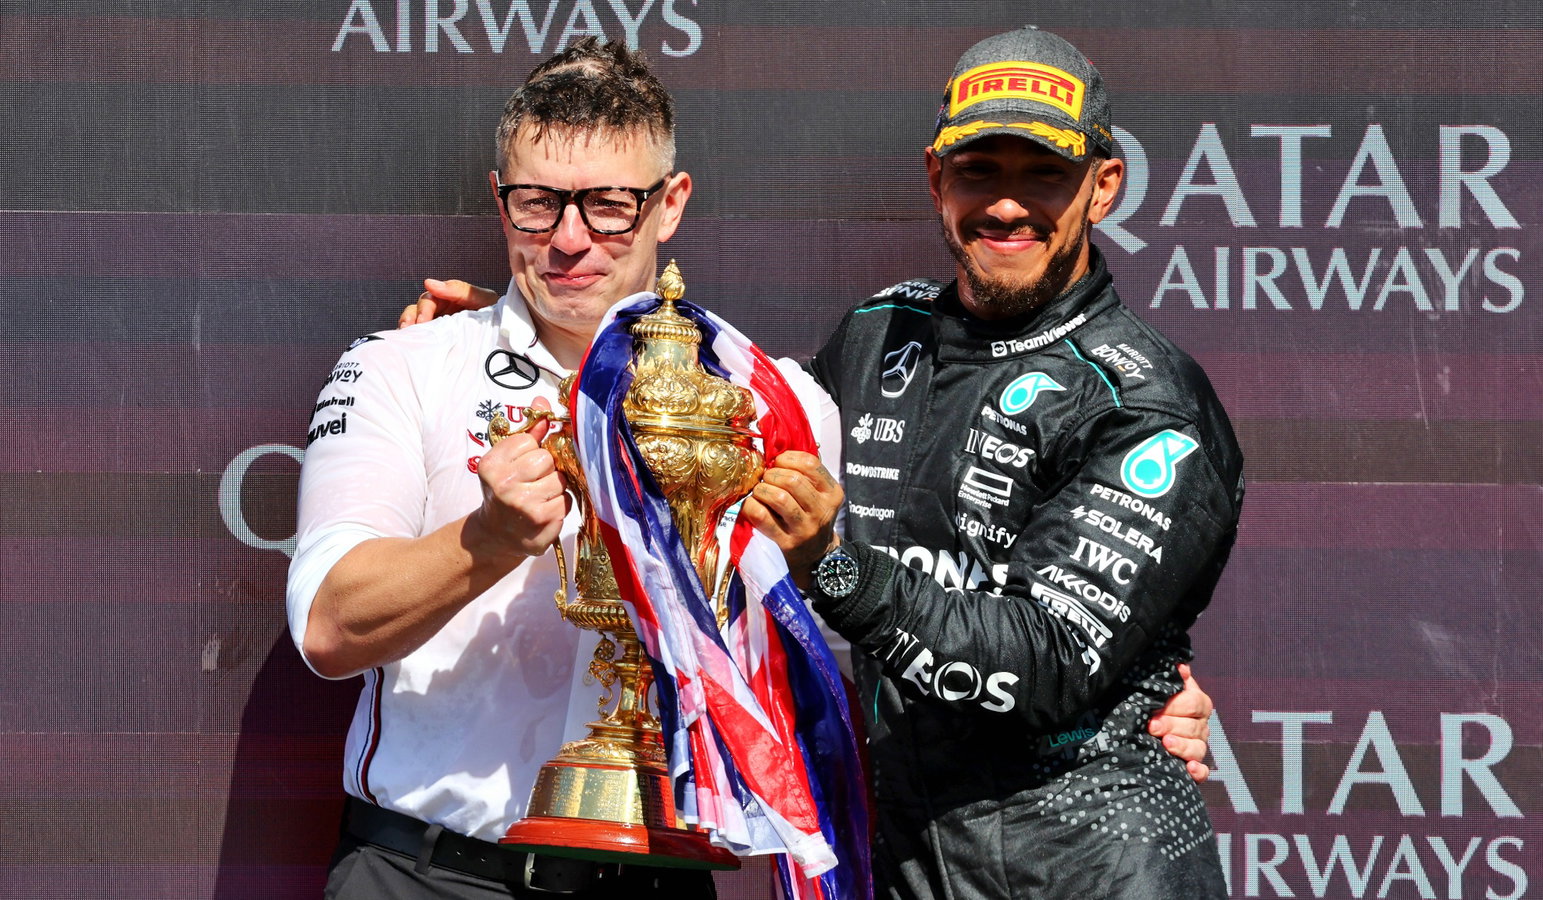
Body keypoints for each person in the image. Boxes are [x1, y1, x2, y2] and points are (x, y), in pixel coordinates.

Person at [304, 36, 1215, 900]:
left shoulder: (768, 400)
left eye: (609, 205)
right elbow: (329, 630)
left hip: (671, 874)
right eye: (539, 204)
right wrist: (488, 534)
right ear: (501, 201)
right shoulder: (404, 366)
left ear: (671, 203)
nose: (570, 239)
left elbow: (885, 627)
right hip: (430, 872)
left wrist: (1129, 692)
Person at [739, 26, 1246, 899]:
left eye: (1043, 174)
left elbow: (1045, 661)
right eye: (980, 171)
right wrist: (530, 352)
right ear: (937, 178)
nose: (1007, 206)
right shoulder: (875, 338)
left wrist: (839, 569)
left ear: (1103, 186)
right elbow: (718, 450)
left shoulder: (1147, 403)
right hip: (905, 864)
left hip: (1094, 871)